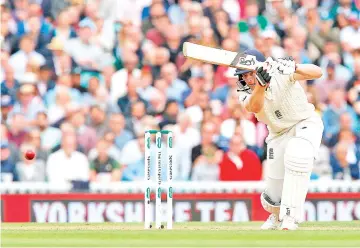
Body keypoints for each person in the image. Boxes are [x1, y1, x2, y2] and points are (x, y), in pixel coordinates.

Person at [236, 50, 324, 230]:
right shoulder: (244, 89)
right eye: (244, 75)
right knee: (274, 189)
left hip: (305, 122)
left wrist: (294, 66)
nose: (248, 79)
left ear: (261, 67)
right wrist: (260, 86)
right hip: (277, 133)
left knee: (297, 153)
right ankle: (276, 216)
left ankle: (291, 216)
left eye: (251, 73)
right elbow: (254, 106)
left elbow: (317, 72)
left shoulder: (280, 73)